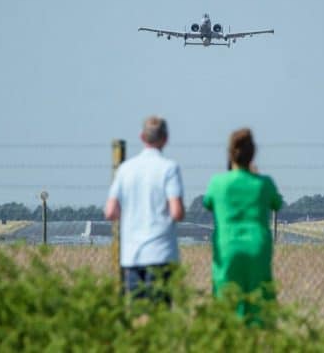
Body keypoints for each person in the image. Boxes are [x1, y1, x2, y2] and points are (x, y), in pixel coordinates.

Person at [202, 128, 282, 322]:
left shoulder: (218, 183)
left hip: (227, 248)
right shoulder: (264, 183)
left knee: (226, 302)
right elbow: (277, 203)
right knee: (259, 302)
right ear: (253, 154)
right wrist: (256, 176)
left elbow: (207, 202)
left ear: (230, 154)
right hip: (257, 248)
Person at [104, 116, 185, 303]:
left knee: (136, 314)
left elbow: (110, 211)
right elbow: (176, 212)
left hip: (132, 255)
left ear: (142, 137)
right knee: (160, 314)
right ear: (165, 138)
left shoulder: (125, 169)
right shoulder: (169, 168)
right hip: (161, 252)